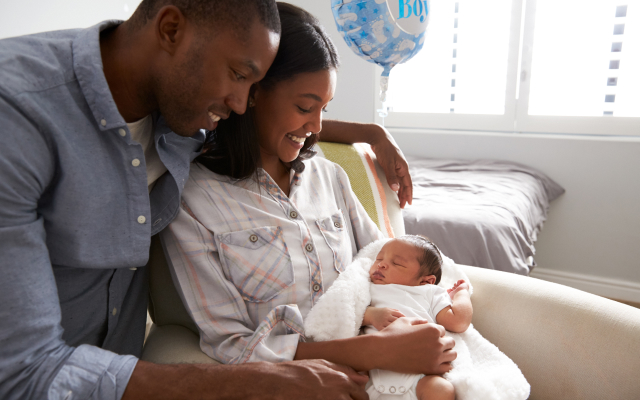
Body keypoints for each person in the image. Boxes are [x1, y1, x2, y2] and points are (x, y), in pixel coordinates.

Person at [0, 0, 421, 399]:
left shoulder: (185, 105)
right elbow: (26, 372)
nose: (241, 103)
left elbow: (276, 119)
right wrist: (258, 382)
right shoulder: (18, 117)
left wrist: (371, 134)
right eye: (239, 75)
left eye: (252, 85)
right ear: (170, 30)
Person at [161, 3, 456, 395]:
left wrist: (450, 293)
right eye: (304, 107)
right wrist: (373, 352)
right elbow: (231, 345)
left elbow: (381, 256)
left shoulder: (327, 174)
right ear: (251, 93)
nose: (316, 127)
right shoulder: (193, 200)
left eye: (324, 109)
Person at [363, 235, 473, 400]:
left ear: (426, 281)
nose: (381, 264)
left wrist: (461, 293)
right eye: (379, 258)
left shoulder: (429, 292)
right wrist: (370, 315)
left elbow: (458, 322)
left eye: (397, 263)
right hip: (369, 371)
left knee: (441, 389)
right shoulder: (366, 286)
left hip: (419, 376)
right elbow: (347, 313)